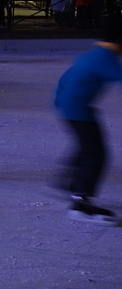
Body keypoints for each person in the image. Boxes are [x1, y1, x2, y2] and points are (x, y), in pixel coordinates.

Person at [53, 20, 122, 224]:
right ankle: (80, 203)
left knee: (87, 147)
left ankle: (70, 183)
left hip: (69, 105)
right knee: (95, 153)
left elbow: (65, 78)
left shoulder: (93, 53)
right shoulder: (106, 58)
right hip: (77, 109)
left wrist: (61, 102)